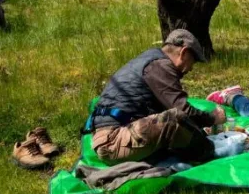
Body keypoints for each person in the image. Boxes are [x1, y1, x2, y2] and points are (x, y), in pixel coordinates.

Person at [83, 29, 226, 166]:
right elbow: (182, 110)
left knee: (176, 123)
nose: (191, 69)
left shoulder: (149, 60)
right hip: (114, 142)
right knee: (173, 120)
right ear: (184, 52)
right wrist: (212, 118)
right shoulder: (160, 66)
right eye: (192, 61)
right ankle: (215, 150)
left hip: (110, 137)